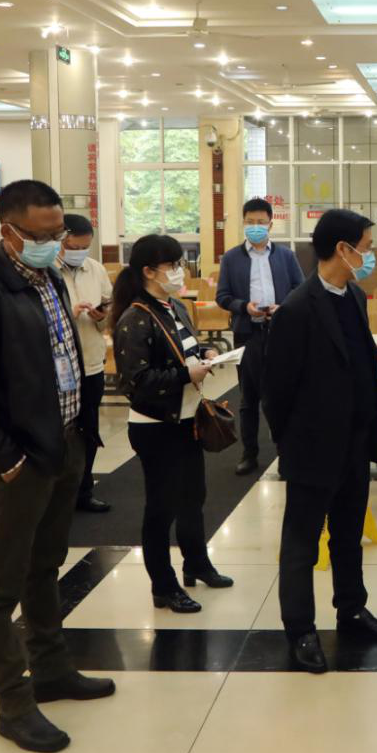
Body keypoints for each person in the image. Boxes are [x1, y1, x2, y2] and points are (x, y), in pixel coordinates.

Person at [0, 180, 115, 753]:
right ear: (8, 232)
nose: (53, 243)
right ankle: (14, 705)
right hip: (20, 459)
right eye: (41, 235)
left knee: (45, 566)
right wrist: (7, 461)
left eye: (57, 232)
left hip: (63, 444)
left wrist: (77, 438)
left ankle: (52, 668)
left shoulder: (51, 280)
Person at [264, 208, 377, 674]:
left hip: (354, 444)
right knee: (302, 543)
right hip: (312, 448)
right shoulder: (298, 308)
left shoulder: (355, 296)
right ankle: (300, 629)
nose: (370, 254)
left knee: (347, 536)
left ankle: (352, 609)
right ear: (343, 249)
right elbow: (276, 392)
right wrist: (293, 446)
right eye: (366, 246)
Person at [111, 235, 234, 615]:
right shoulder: (135, 318)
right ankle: (163, 586)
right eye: (173, 266)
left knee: (193, 498)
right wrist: (185, 374)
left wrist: (205, 353)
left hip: (186, 419)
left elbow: (185, 348)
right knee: (161, 507)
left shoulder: (174, 306)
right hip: (155, 426)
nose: (180, 271)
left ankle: (197, 563)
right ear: (149, 271)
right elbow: (135, 382)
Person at [216, 197, 305, 476]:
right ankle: (249, 453)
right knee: (248, 397)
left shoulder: (285, 256)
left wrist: (283, 307)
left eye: (261, 222)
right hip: (248, 333)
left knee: (281, 394)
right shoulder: (231, 258)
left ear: (270, 224)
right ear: (243, 223)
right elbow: (222, 296)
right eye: (250, 222)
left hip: (280, 334)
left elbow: (300, 289)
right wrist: (244, 306)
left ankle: (286, 452)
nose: (255, 227)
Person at [58, 214, 113, 514]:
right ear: (60, 242)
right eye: (73, 247)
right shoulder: (47, 270)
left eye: (84, 247)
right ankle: (58, 493)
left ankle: (84, 490)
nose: (79, 252)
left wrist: (102, 314)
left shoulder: (96, 269)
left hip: (91, 362)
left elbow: (109, 306)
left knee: (89, 430)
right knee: (60, 432)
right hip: (59, 368)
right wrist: (71, 311)